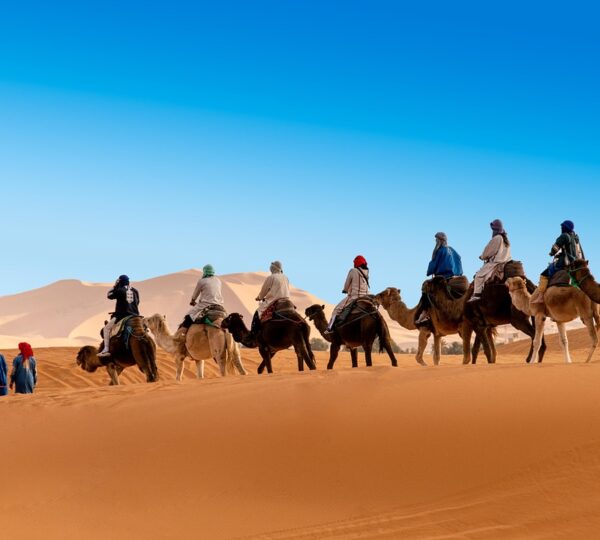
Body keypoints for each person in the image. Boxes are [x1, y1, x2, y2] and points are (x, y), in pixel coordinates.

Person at [531, 220, 584, 304]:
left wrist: (551, 253)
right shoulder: (576, 237)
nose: (561, 228)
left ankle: (541, 296)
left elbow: (556, 247)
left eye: (562, 226)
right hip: (576, 264)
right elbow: (580, 251)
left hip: (565, 262)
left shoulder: (564, 236)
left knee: (544, 275)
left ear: (565, 227)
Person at [415, 232, 463, 323]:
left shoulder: (440, 250)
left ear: (440, 241)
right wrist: (458, 272)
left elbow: (434, 262)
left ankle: (425, 313)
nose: (436, 241)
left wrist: (429, 271)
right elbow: (459, 258)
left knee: (425, 286)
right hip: (454, 276)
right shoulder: (451, 249)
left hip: (443, 276)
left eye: (436, 240)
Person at [175, 264, 225, 342]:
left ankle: (182, 335)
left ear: (204, 271)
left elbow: (195, 294)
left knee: (188, 316)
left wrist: (192, 301)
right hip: (220, 306)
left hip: (206, 305)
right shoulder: (218, 281)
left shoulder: (202, 281)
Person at [468, 219, 512, 303]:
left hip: (496, 264)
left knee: (478, 276)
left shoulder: (497, 238)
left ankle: (477, 295)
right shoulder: (506, 240)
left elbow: (487, 252)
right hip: (505, 262)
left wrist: (482, 257)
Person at [98, 275, 140, 357]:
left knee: (106, 329)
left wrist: (115, 286)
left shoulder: (120, 290)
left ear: (120, 281)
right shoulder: (135, 291)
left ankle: (106, 349)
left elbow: (109, 295)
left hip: (121, 316)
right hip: (135, 315)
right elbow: (137, 302)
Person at [326, 255, 370, 333]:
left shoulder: (353, 271)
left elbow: (347, 283)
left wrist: (345, 290)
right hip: (367, 297)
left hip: (355, 296)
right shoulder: (367, 272)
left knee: (336, 310)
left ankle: (329, 328)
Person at [250, 261, 291, 335]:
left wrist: (259, 297)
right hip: (287, 301)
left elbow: (264, 290)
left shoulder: (271, 277)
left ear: (274, 268)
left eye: (271, 266)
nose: (270, 268)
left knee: (258, 312)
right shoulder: (286, 277)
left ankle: (253, 334)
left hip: (274, 300)